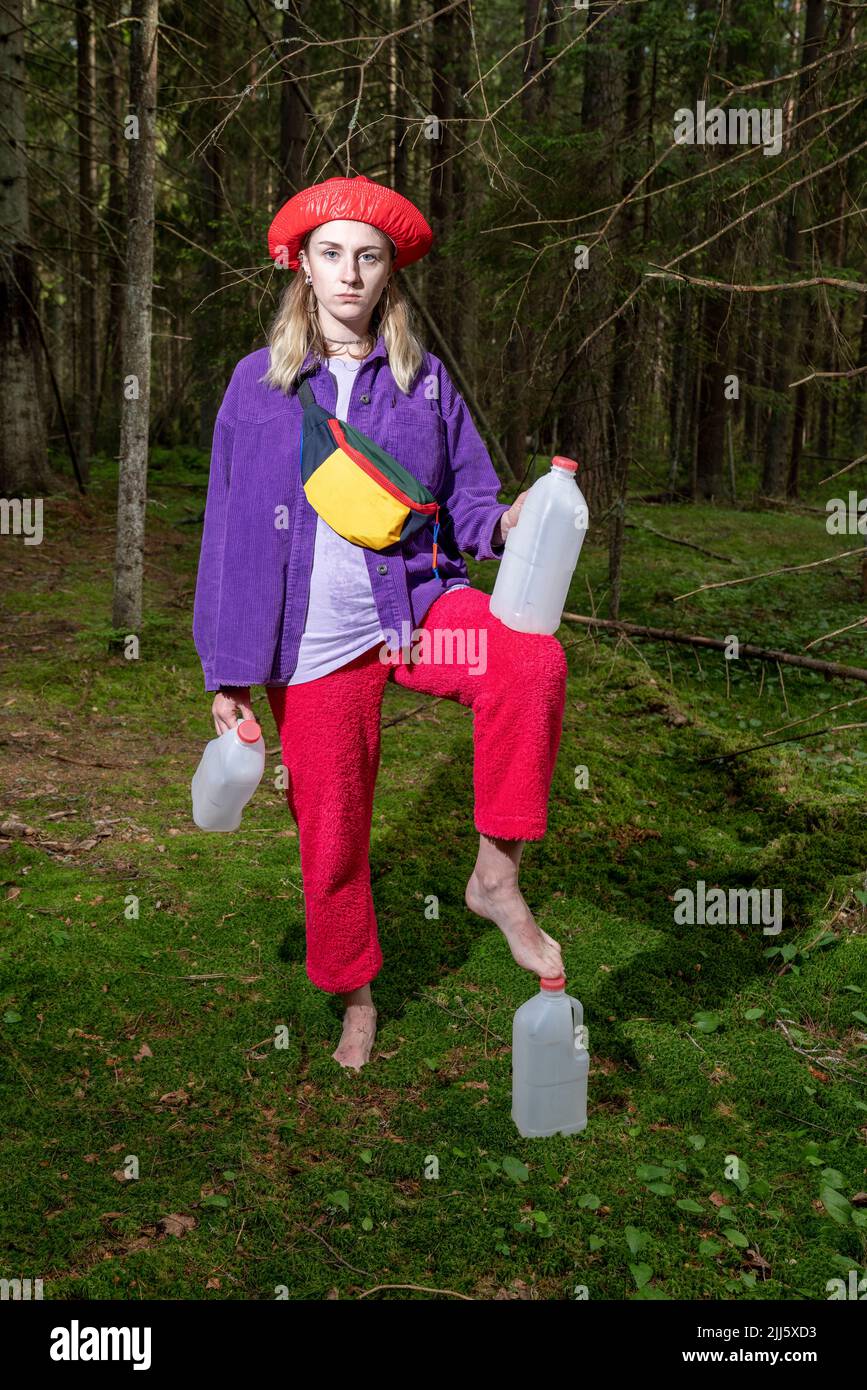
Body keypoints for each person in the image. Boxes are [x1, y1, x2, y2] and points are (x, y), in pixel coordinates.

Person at [192, 174, 568, 1070]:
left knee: (530, 664)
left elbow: (470, 496)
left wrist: (508, 519)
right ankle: (354, 993)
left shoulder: (423, 380)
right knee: (331, 828)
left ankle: (495, 877)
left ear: (388, 274)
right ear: (303, 269)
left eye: (368, 258)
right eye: (332, 256)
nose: (350, 274)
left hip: (415, 608)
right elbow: (228, 530)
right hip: (311, 647)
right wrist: (226, 671)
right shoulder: (258, 385)